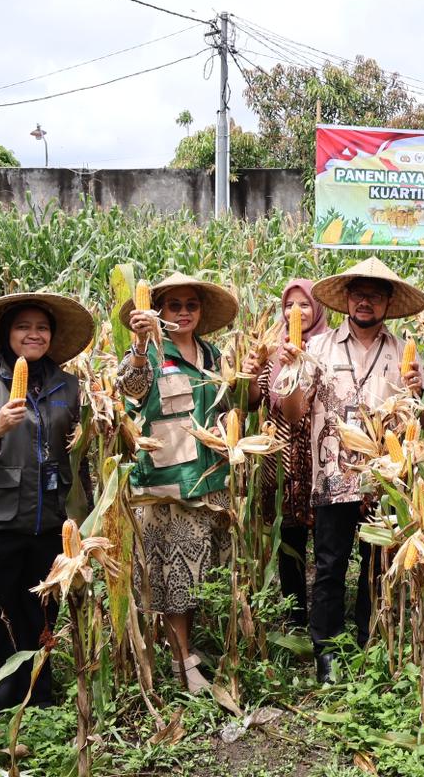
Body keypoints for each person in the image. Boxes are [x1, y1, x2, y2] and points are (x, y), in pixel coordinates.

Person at [281, 257, 424, 683]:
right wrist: (291, 372)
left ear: (387, 303)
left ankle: (366, 641)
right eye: (359, 294)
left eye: (375, 296)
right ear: (346, 299)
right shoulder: (318, 349)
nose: (366, 302)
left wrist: (418, 393)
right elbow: (294, 413)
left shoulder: (402, 352)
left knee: (375, 565)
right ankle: (326, 651)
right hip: (332, 477)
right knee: (329, 565)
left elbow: (418, 421)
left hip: (382, 481)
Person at [120, 272, 241, 694]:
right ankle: (181, 663)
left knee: (198, 575)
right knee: (173, 579)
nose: (184, 312)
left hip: (209, 483)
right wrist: (137, 348)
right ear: (158, 312)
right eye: (174, 305)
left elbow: (226, 407)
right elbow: (130, 394)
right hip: (166, 486)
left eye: (191, 305)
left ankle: (184, 652)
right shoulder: (148, 353)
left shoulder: (212, 354)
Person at [0, 293, 92, 723]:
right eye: (23, 327)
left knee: (42, 611)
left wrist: (81, 518)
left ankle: (39, 695)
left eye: (42, 328)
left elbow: (77, 454)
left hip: (51, 520)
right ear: (7, 334)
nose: (33, 334)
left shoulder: (70, 386)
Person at [249, 278, 328, 628]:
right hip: (280, 462)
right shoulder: (272, 353)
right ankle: (295, 616)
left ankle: (326, 616)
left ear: (319, 309)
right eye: (289, 305)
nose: (296, 312)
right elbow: (253, 401)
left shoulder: (328, 350)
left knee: (326, 543)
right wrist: (251, 373)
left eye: (305, 305)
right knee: (288, 542)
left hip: (320, 459)